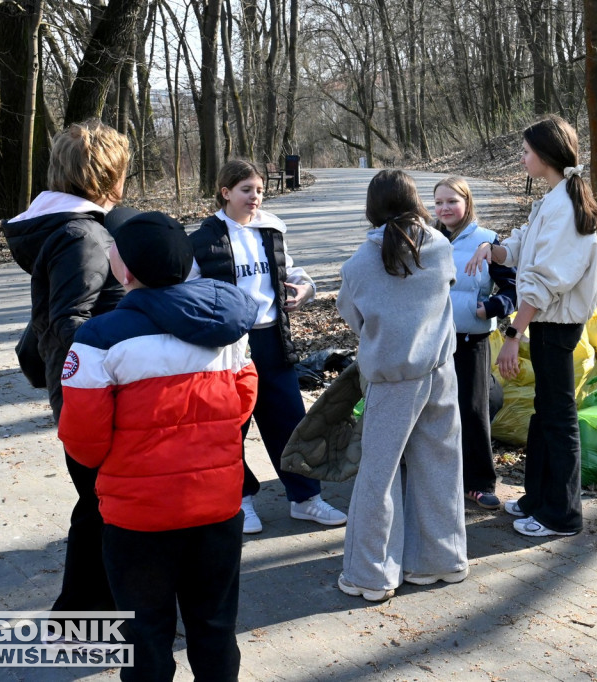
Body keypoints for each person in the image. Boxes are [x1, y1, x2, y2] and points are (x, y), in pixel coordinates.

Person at [58, 212, 259, 681]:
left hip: (138, 519)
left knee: (144, 633)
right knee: (214, 626)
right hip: (217, 508)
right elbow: (243, 401)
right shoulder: (228, 328)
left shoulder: (97, 341)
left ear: (123, 271)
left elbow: (83, 442)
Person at [2, 119, 130, 623]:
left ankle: (81, 609)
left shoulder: (69, 226)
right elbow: (70, 321)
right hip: (92, 393)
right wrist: (128, 359)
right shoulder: (85, 234)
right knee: (108, 503)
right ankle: (91, 611)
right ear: (105, 176)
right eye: (121, 172)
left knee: (97, 502)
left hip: (77, 387)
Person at [190, 159, 346, 533]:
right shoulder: (201, 240)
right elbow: (190, 291)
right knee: (231, 427)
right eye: (246, 190)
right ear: (225, 192)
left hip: (274, 340)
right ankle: (240, 501)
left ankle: (306, 499)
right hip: (228, 348)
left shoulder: (271, 229)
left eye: (259, 190)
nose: (255, 197)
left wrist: (305, 290)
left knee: (291, 422)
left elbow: (292, 272)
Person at [465, 115, 597, 538]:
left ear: (543, 155)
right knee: (545, 414)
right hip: (549, 323)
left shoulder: (563, 205)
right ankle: (537, 500)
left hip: (555, 326)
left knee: (557, 418)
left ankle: (562, 515)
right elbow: (524, 246)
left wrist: (513, 335)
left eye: (525, 152)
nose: (522, 158)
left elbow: (544, 280)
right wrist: (495, 249)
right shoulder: (553, 198)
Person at [336, 170, 468, 602]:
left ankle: (371, 575)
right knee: (440, 468)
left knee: (378, 478)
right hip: (440, 372)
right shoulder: (441, 246)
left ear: (371, 208)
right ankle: (440, 561)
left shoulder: (357, 265)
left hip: (392, 381)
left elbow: (354, 319)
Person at [433, 176, 517, 510]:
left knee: (472, 409)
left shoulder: (487, 240)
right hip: (431, 340)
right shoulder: (426, 238)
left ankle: (479, 483)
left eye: (451, 201)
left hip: (471, 339)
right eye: (439, 202)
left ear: (467, 202)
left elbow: (512, 289)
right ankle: (437, 477)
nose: (444, 208)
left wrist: (488, 308)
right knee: (433, 411)